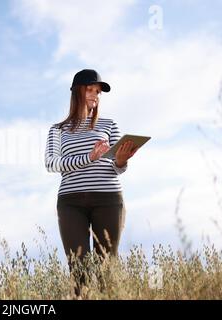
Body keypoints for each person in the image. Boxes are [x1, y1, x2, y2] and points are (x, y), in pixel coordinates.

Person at [44, 69, 139, 295]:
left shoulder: (109, 124)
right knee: (79, 269)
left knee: (106, 267)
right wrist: (89, 158)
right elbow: (51, 163)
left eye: (98, 92)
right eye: (90, 89)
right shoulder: (57, 130)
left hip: (108, 199)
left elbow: (117, 167)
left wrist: (122, 160)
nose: (95, 95)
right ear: (77, 92)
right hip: (70, 202)